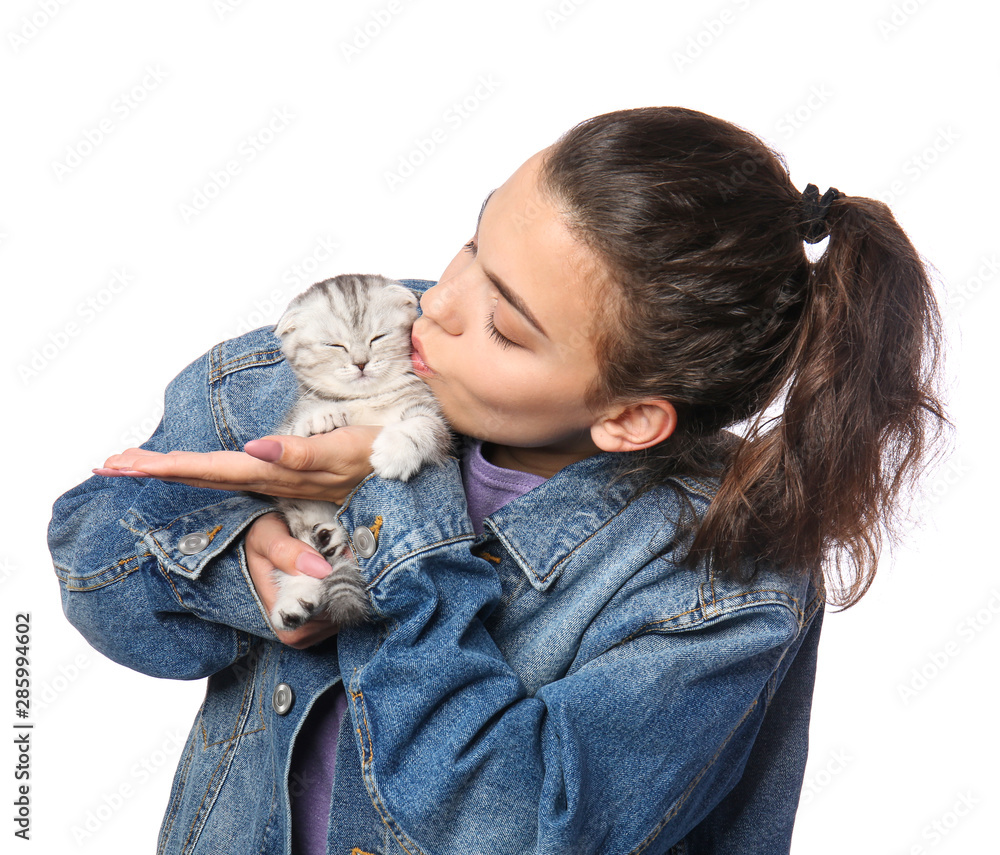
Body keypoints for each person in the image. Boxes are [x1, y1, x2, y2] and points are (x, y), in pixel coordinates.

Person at [48, 106, 946, 854]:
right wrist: (242, 565)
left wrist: (397, 480)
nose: (435, 304)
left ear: (630, 416)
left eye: (506, 328)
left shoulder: (722, 583)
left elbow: (507, 822)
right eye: (473, 244)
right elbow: (92, 554)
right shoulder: (340, 349)